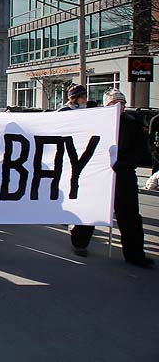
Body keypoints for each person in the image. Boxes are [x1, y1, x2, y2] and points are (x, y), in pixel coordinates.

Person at [102, 90, 153, 267]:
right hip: (101, 176)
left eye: (121, 103)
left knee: (129, 216)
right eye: (113, 103)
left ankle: (135, 254)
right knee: (91, 209)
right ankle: (80, 241)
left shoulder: (133, 125)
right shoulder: (99, 124)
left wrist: (123, 163)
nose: (118, 107)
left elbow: (141, 151)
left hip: (124, 176)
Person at [58, 85, 96, 256]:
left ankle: (81, 239)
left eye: (85, 96)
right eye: (82, 97)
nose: (85, 99)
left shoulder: (93, 112)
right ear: (74, 98)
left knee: (87, 198)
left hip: (87, 160)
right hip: (67, 160)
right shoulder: (63, 112)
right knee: (69, 194)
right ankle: (70, 219)